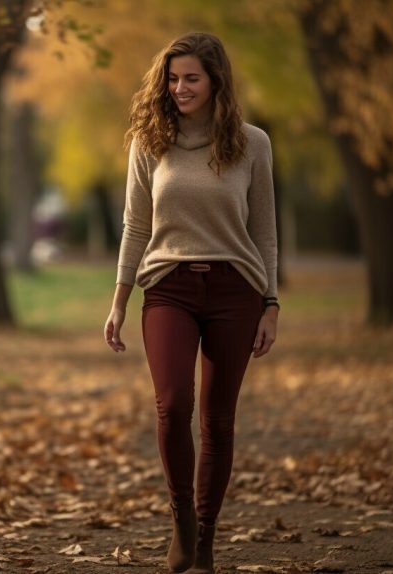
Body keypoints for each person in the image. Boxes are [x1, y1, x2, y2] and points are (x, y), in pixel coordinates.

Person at [103, 32, 280, 574]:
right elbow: (135, 226)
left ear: (215, 82)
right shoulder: (147, 142)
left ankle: (203, 540)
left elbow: (264, 231)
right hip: (169, 287)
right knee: (173, 404)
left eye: (191, 79)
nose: (179, 88)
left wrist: (270, 302)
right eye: (173, 78)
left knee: (218, 421)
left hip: (236, 290)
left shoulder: (254, 144)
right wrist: (118, 300)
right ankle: (180, 518)